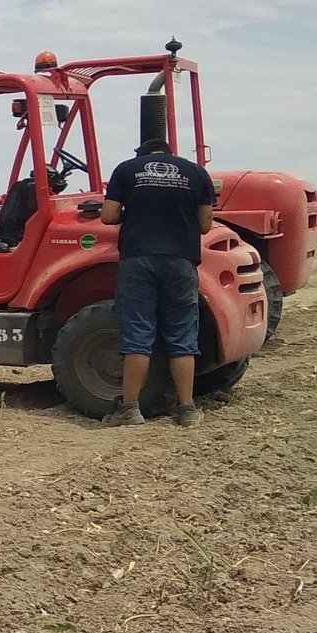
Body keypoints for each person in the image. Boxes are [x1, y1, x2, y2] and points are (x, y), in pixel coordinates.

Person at [97, 136, 216, 427]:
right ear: (169, 153)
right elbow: (205, 224)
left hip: (139, 260)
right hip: (181, 261)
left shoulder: (127, 169)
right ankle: (187, 410)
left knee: (137, 335)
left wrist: (136, 210)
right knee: (182, 338)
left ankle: (129, 409)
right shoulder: (197, 173)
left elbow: (108, 216)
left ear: (143, 154)